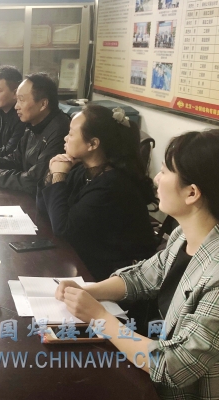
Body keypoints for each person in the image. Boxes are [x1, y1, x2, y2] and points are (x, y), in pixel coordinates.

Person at [55, 129, 219, 399]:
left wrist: (100, 318)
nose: (156, 178)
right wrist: (89, 291)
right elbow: (143, 276)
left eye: (164, 171)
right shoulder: (182, 235)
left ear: (192, 193)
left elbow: (172, 366)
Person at [38, 105, 157, 280]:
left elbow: (63, 228)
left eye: (71, 134)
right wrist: (53, 173)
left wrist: (59, 175)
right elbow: (43, 208)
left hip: (117, 275)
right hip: (88, 257)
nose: (65, 138)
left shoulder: (112, 184)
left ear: (93, 144)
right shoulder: (83, 170)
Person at [0, 72, 70, 196]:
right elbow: (16, 159)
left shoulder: (60, 130)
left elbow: (35, 181)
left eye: (21, 100)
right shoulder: (33, 124)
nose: (16, 107)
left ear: (43, 104)